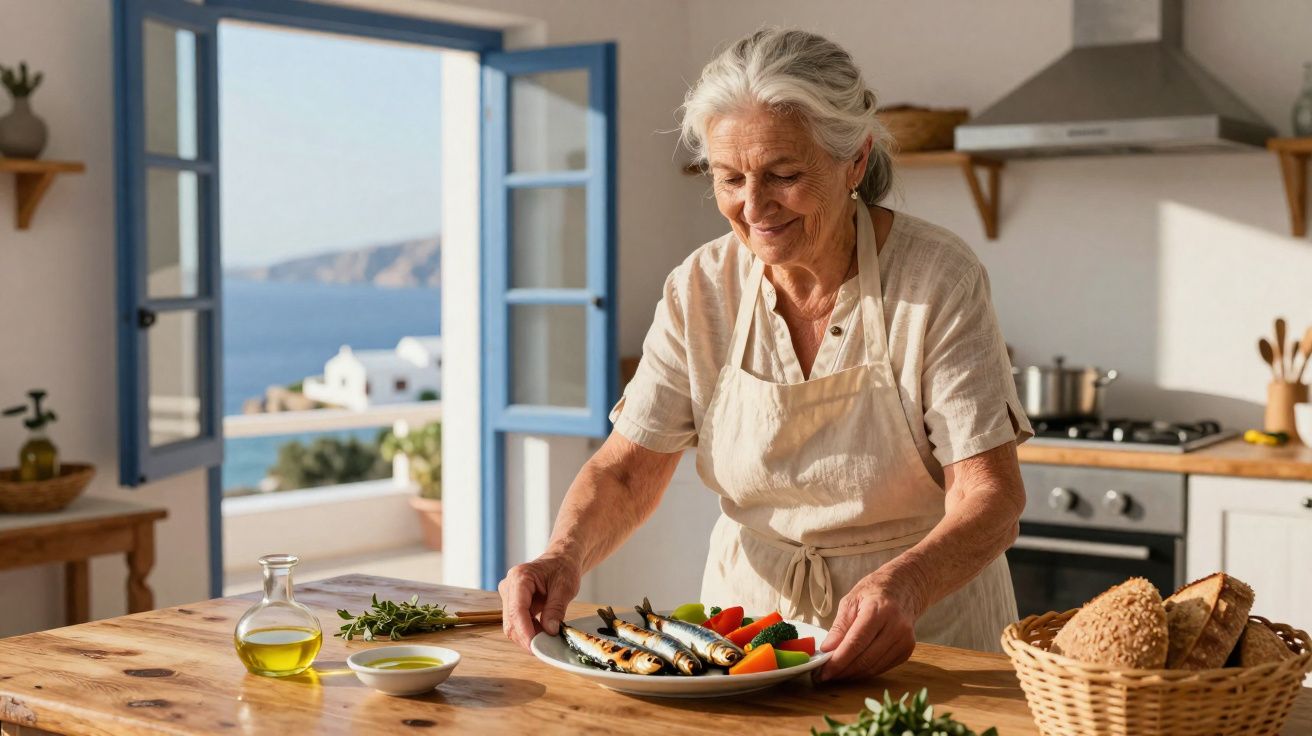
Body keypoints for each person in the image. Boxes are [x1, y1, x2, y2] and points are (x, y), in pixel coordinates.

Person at [499, 28, 1032, 682]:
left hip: (927, 635)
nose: (754, 208)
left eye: (784, 175)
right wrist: (562, 555)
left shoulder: (936, 279)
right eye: (729, 179)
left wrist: (908, 585)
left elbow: (990, 496)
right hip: (744, 640)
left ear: (856, 161)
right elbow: (626, 473)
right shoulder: (700, 289)